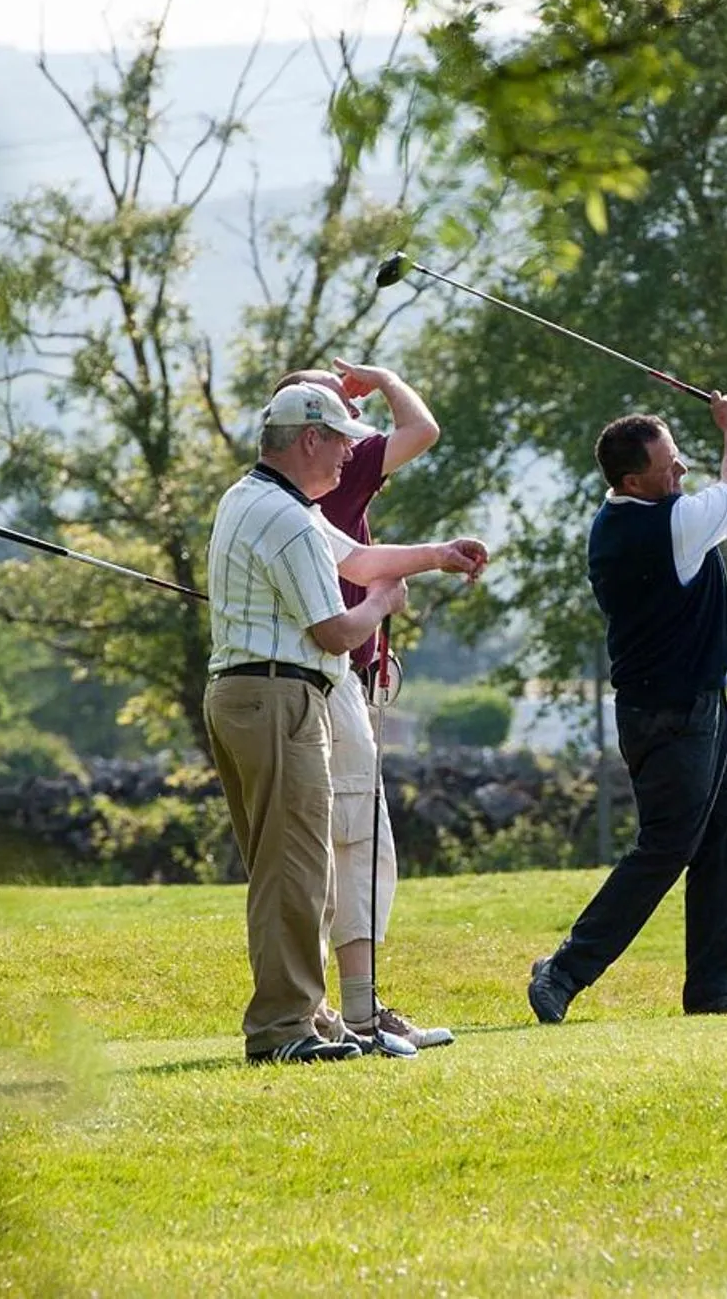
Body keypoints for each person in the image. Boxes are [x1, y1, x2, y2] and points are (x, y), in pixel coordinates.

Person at [204, 381, 488, 1064]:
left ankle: (308, 1014)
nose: (346, 457)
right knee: (298, 869)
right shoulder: (287, 518)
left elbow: (356, 559)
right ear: (309, 439)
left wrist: (438, 555)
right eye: (339, 442)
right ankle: (283, 1029)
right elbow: (334, 631)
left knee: (293, 866)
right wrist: (382, 604)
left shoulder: (258, 498)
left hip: (250, 695)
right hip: (279, 696)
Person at [527, 393, 727, 1024]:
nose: (682, 469)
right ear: (633, 480)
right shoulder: (667, 527)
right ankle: (564, 971)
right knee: (667, 847)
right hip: (672, 713)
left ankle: (716, 986)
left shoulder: (633, 515)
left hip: (693, 705)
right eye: (670, 465)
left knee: (723, 843)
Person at [272, 359, 453, 1053]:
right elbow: (423, 429)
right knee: (355, 841)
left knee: (330, 843)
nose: (353, 430)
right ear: (310, 432)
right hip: (331, 676)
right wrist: (382, 378)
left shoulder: (284, 487)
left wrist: (429, 559)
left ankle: (334, 1011)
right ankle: (355, 1011)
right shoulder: (337, 470)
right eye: (339, 411)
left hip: (328, 675)